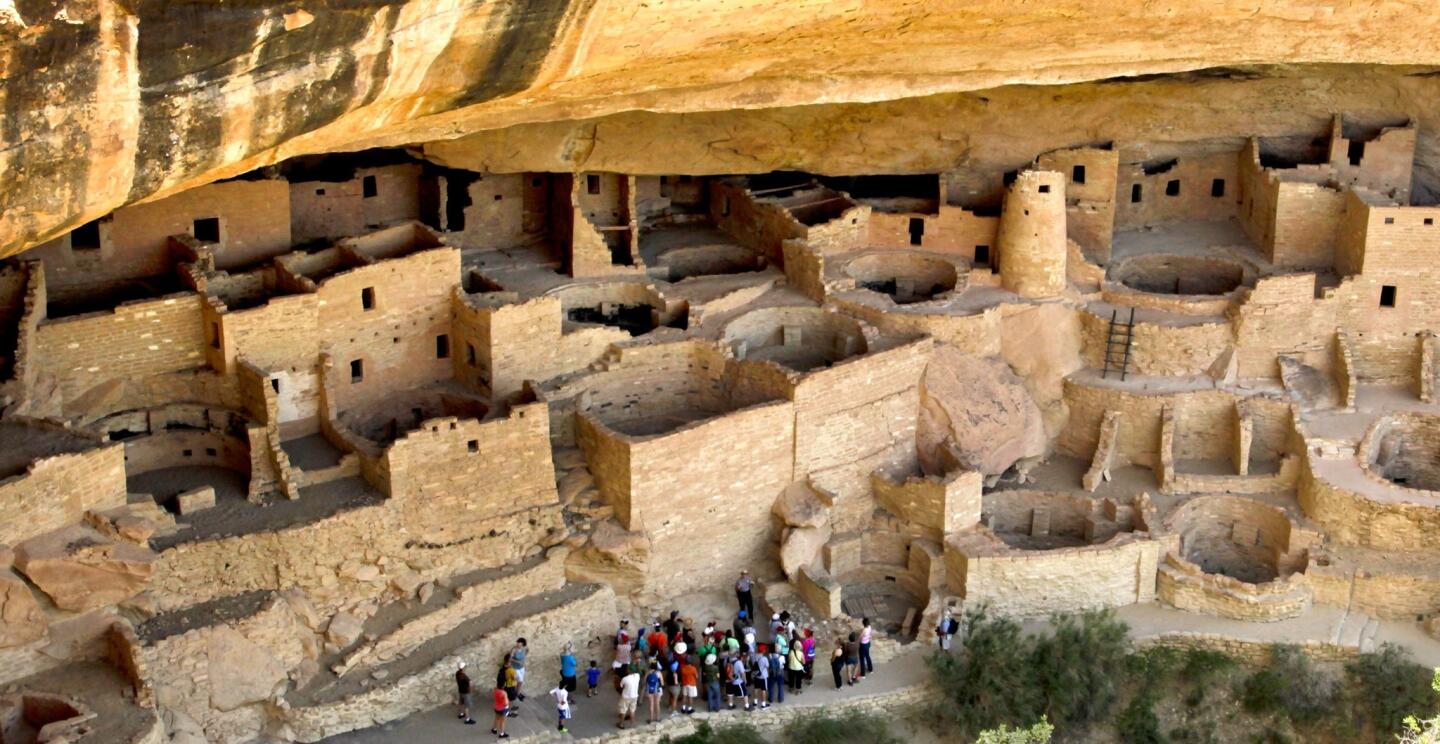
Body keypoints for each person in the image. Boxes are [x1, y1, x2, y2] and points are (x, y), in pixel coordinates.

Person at [617, 665, 640, 729]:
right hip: (635, 696)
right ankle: (632, 725)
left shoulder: (625, 679)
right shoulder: (637, 676)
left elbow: (621, 686)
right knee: (632, 710)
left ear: (629, 670)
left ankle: (621, 724)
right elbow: (638, 671)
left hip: (626, 696)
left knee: (623, 710)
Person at [456, 661, 476, 725]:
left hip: (461, 691)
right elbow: (469, 683)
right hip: (466, 692)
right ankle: (467, 719)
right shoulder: (464, 676)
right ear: (463, 668)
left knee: (461, 703)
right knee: (466, 706)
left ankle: (461, 714)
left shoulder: (457, 673)